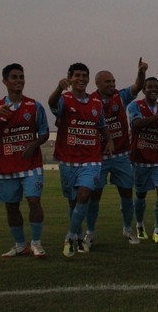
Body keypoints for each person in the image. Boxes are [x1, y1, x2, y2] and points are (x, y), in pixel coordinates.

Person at [0, 63, 50, 258]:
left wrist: (34, 144)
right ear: (5, 81)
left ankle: (36, 243)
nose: (19, 80)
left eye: (21, 77)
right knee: (11, 206)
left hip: (31, 165)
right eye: (14, 77)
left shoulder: (34, 106)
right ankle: (20, 245)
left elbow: (44, 132)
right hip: (7, 166)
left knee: (34, 201)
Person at [48, 62, 113, 258]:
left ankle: (69, 236)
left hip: (91, 159)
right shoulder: (64, 99)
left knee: (85, 194)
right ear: (70, 77)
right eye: (77, 75)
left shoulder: (96, 104)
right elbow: (52, 104)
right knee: (73, 202)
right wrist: (59, 88)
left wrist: (109, 140)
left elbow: (102, 126)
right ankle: (76, 235)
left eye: (84, 75)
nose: (81, 79)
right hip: (68, 159)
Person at [84, 58, 148, 247]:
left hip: (121, 155)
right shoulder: (89, 101)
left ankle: (128, 229)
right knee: (94, 195)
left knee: (127, 193)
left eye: (113, 81)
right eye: (107, 82)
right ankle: (90, 232)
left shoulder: (120, 97)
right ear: (97, 84)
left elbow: (137, 87)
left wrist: (141, 73)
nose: (112, 84)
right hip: (99, 157)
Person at [128, 77, 158, 244]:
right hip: (139, 158)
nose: (153, 90)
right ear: (143, 90)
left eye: (156, 87)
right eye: (150, 87)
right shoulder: (135, 106)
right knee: (140, 194)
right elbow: (137, 124)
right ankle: (139, 225)